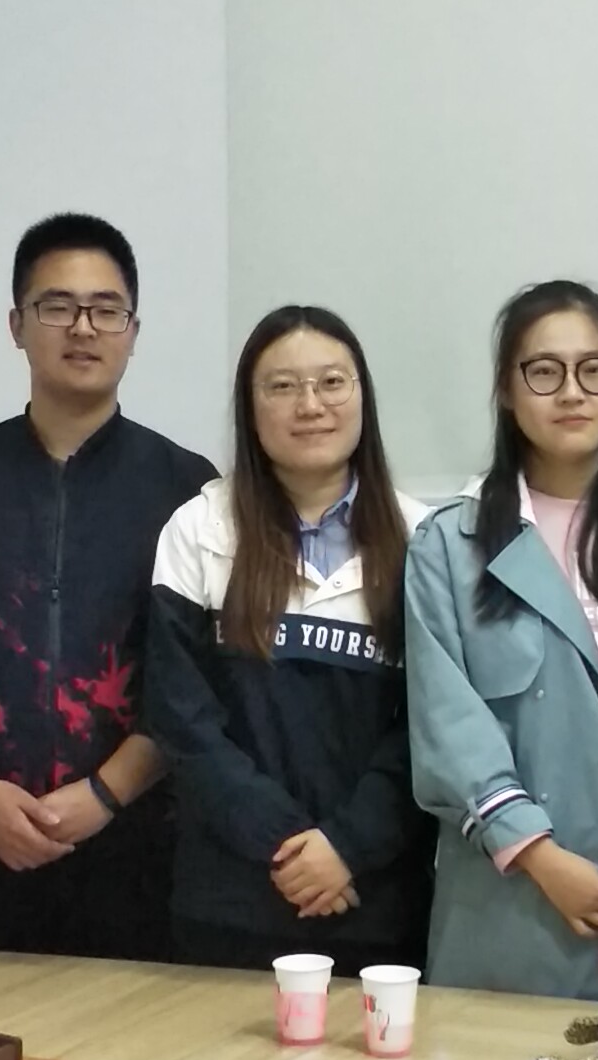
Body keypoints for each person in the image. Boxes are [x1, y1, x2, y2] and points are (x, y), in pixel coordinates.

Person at [0, 214, 217, 958]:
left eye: (106, 309)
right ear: (17, 325)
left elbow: (199, 674)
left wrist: (103, 796)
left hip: (141, 845)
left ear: (133, 330)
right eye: (57, 306)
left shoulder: (189, 490)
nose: (83, 327)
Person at [406, 282, 598, 997]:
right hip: (507, 913)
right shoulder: (451, 544)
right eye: (543, 371)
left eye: (594, 369)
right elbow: (448, 727)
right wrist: (540, 856)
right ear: (506, 392)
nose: (572, 392)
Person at [144, 307, 434, 972]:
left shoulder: (425, 541)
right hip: (229, 905)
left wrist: (346, 848)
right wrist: (287, 845)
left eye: (332, 382)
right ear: (250, 407)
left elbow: (430, 729)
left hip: (376, 903)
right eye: (282, 386)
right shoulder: (199, 531)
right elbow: (181, 719)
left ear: (362, 396)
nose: (310, 406)